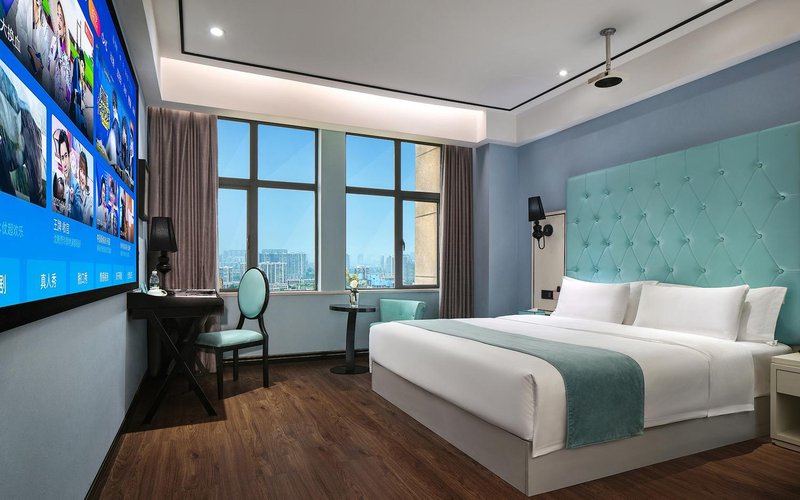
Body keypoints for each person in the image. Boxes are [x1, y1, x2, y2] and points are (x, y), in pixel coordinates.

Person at [46, 1, 72, 114]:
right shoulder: (52, 42)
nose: (59, 20)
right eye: (57, 15)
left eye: (61, 17)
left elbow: (68, 95)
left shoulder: (66, 57)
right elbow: (49, 73)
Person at [51, 128, 71, 215]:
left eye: (66, 156)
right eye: (62, 157)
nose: (64, 163)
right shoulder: (55, 175)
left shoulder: (73, 185)